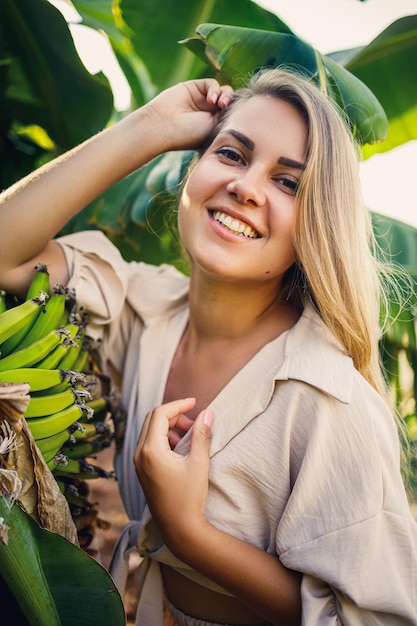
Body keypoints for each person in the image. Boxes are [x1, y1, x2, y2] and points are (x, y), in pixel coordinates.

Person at [0, 66, 416, 626]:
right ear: (193, 169)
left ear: (316, 225)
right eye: (232, 154)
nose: (246, 186)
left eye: (288, 182)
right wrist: (148, 127)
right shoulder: (144, 309)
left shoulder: (326, 399)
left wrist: (191, 535)